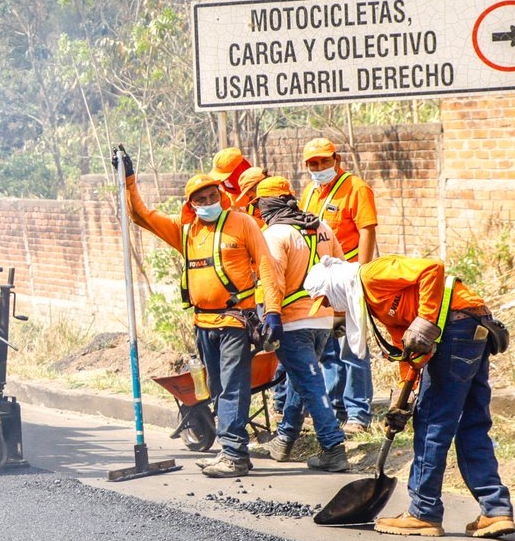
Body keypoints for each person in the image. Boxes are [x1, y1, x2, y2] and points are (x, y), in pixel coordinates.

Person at [120, 151, 282, 477]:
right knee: (219, 388)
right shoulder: (188, 232)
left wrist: (273, 312)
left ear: (221, 196)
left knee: (234, 387)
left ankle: (233, 455)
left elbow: (266, 265)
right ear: (191, 204)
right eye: (201, 198)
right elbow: (141, 216)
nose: (209, 200)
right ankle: (235, 452)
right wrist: (128, 178)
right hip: (202, 323)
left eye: (212, 195)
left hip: (236, 321)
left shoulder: (242, 223)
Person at [334, 253, 515, 539]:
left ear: (337, 288)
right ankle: (495, 509)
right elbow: (409, 351)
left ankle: (423, 511)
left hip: (457, 325)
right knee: (472, 422)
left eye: (326, 301)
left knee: (432, 423)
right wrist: (403, 400)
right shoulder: (374, 305)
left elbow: (433, 268)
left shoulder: (372, 275)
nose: (329, 309)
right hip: (469, 325)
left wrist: (425, 320)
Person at [254, 178, 348, 471]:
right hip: (322, 320)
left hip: (293, 323)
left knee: (311, 384)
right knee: (301, 380)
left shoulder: (274, 234)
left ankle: (333, 447)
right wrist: (341, 315)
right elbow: (341, 272)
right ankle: (284, 441)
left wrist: (271, 316)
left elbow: (273, 280)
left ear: (266, 205)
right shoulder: (322, 227)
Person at [300, 138, 380, 434]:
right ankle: (334, 408)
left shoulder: (355, 188)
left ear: (337, 159)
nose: (318, 168)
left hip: (347, 277)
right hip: (322, 281)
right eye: (313, 164)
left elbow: (366, 230)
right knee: (328, 348)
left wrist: (360, 271)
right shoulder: (310, 193)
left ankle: (358, 413)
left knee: (353, 345)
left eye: (323, 162)